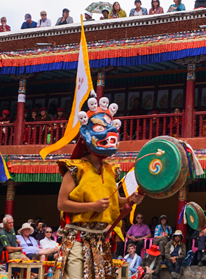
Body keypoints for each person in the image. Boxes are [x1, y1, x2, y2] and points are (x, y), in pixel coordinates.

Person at [51, 95, 143, 279]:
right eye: (100, 128)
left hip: (101, 240)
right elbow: (61, 204)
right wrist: (91, 206)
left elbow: (113, 202)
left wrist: (130, 200)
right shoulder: (75, 169)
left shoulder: (111, 171)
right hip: (77, 238)